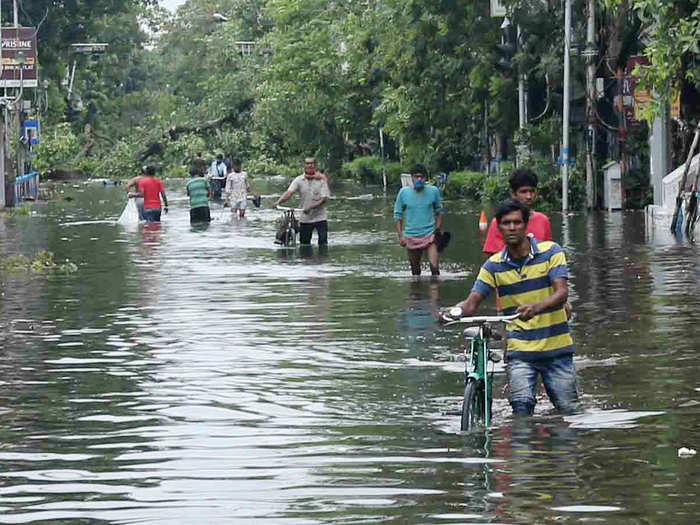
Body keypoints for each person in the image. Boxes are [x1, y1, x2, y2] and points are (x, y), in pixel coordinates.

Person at [443, 199, 580, 416]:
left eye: (517, 222)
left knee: (569, 411)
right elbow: (472, 303)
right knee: (521, 410)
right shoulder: (493, 266)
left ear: (526, 225)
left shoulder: (551, 252)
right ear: (498, 227)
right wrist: (452, 313)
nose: (512, 227)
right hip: (520, 351)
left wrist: (535, 308)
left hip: (557, 351)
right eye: (506, 223)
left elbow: (561, 293)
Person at [483, 168, 552, 257]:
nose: (529, 196)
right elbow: (492, 260)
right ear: (513, 193)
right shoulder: (500, 222)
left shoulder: (543, 220)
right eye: (523, 192)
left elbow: (549, 253)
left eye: (532, 191)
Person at [393, 163, 444, 276]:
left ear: (426, 178)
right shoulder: (404, 193)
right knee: (415, 272)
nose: (419, 179)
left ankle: (435, 292)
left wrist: (438, 229)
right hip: (411, 236)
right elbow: (398, 215)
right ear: (411, 178)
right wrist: (400, 235)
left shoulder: (433, 191)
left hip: (430, 235)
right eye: (416, 176)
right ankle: (417, 292)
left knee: (435, 269)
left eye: (422, 177)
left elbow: (439, 211)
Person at [275, 157, 331, 246]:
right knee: (304, 244)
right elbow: (289, 192)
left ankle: (322, 259)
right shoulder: (299, 180)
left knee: (323, 244)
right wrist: (278, 202)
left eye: (312, 163)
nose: (310, 165)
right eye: (307, 163)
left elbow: (324, 199)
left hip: (320, 217)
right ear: (304, 166)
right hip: (305, 218)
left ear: (315, 166)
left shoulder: (321, 180)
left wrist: (311, 207)